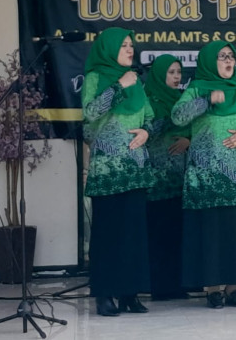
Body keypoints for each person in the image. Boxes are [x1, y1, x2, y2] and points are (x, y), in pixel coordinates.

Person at [171, 41, 236, 309]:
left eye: (231, 57)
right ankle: (213, 289)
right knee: (212, 232)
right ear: (209, 61)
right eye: (222, 57)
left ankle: (234, 288)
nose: (228, 61)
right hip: (208, 180)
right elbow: (178, 117)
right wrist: (206, 100)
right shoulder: (197, 88)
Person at [82, 27, 154, 316]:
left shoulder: (136, 81)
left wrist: (146, 132)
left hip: (135, 169)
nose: (129, 49)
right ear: (109, 48)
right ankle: (104, 294)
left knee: (134, 235)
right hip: (108, 171)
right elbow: (89, 112)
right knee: (107, 234)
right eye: (123, 45)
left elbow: (149, 116)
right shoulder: (96, 78)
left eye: (130, 45)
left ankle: (129, 294)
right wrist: (119, 86)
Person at [144, 54, 190, 300]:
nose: (176, 77)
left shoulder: (181, 100)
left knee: (178, 233)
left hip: (180, 179)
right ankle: (159, 285)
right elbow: (148, 132)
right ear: (159, 74)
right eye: (171, 72)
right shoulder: (148, 101)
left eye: (178, 72)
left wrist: (188, 139)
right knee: (158, 234)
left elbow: (195, 126)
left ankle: (179, 283)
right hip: (156, 181)